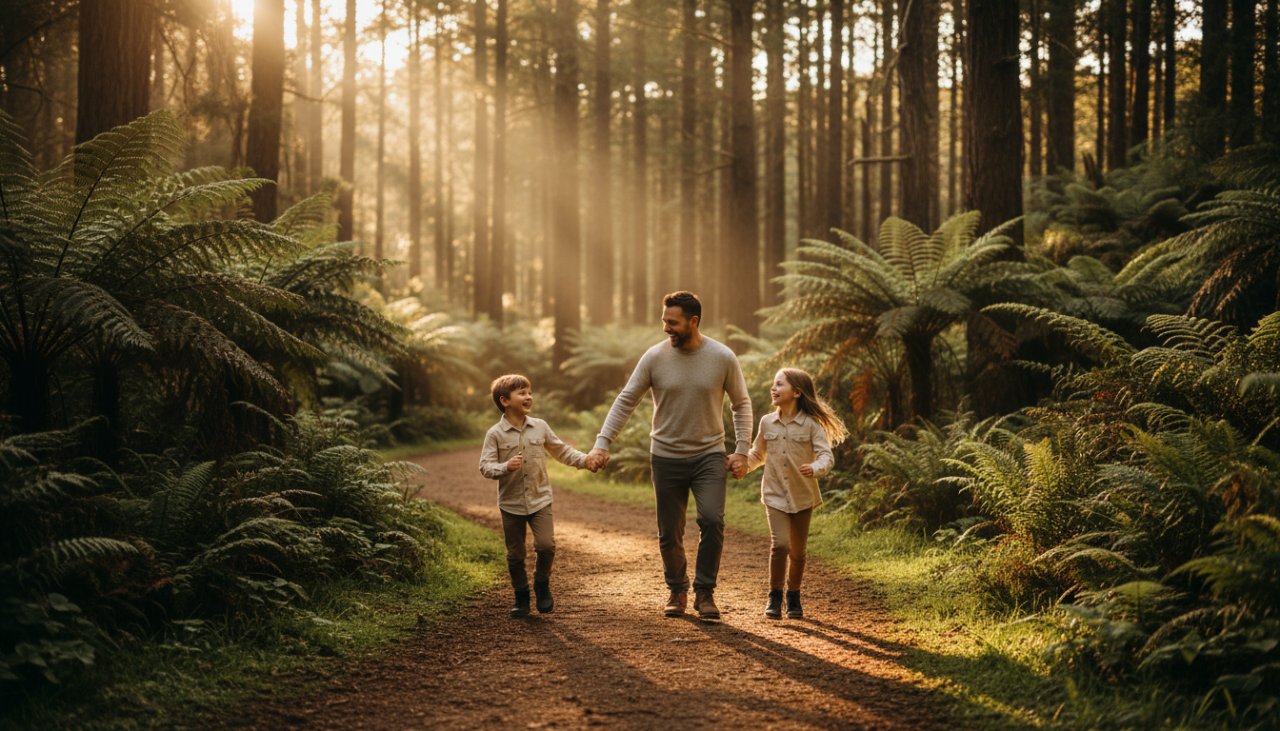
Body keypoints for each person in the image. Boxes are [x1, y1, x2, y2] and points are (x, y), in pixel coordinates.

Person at [585, 291, 753, 620]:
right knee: (669, 532)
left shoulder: (722, 357)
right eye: (664, 321)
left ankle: (705, 593)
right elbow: (626, 400)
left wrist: (743, 450)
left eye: (672, 322)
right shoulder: (654, 358)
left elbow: (741, 404)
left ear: (694, 321)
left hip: (709, 455)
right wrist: (603, 442)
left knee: (712, 520)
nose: (666, 328)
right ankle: (677, 589)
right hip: (665, 456)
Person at [479, 374, 592, 618]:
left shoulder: (540, 426)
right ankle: (521, 596)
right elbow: (485, 466)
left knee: (546, 545)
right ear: (504, 400)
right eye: (521, 393)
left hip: (540, 499)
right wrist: (505, 467)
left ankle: (541, 584)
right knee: (515, 554)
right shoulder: (495, 434)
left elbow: (561, 451)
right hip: (511, 503)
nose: (528, 396)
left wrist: (585, 460)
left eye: (529, 392)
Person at [745, 368, 848, 619]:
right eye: (773, 383)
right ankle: (775, 594)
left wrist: (815, 467)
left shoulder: (811, 425)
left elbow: (826, 455)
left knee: (798, 552)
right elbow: (758, 454)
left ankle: (794, 596)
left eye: (780, 384)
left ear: (797, 392)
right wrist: (741, 465)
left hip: (803, 495)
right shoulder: (767, 421)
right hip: (774, 493)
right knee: (779, 545)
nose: (774, 388)